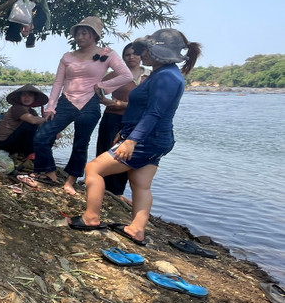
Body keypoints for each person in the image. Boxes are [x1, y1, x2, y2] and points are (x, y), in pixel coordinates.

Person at [70, 29, 202, 244]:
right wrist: (126, 131)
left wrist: (132, 140)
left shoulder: (167, 76)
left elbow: (155, 112)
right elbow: (143, 109)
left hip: (148, 138)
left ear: (163, 53)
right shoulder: (162, 74)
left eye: (148, 50)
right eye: (144, 49)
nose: (143, 54)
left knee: (93, 169)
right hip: (154, 138)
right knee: (140, 183)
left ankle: (90, 218)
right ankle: (136, 230)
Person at [32, 16, 133, 195]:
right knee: (42, 136)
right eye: (77, 34)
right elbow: (58, 83)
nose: (79, 37)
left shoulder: (107, 54)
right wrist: (50, 107)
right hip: (66, 102)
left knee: (80, 144)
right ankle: (50, 172)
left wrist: (102, 86)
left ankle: (70, 181)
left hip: (90, 104)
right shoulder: (68, 57)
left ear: (94, 35)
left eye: (84, 33)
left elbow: (126, 75)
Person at [94, 43, 148, 199]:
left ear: (141, 56)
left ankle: (117, 192)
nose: (131, 57)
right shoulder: (116, 74)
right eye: (127, 54)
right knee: (105, 150)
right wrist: (105, 101)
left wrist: (124, 104)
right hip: (113, 117)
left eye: (135, 54)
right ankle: (99, 186)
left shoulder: (148, 76)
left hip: (135, 121)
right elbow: (97, 88)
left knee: (124, 155)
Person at [0, 84, 48, 156]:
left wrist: (54, 130)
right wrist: (45, 120)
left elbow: (42, 125)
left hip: (17, 142)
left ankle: (34, 153)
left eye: (30, 95)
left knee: (45, 133)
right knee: (30, 125)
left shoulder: (32, 112)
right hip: (5, 143)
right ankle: (29, 153)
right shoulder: (16, 108)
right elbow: (33, 120)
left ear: (34, 98)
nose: (27, 98)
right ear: (19, 97)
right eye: (24, 95)